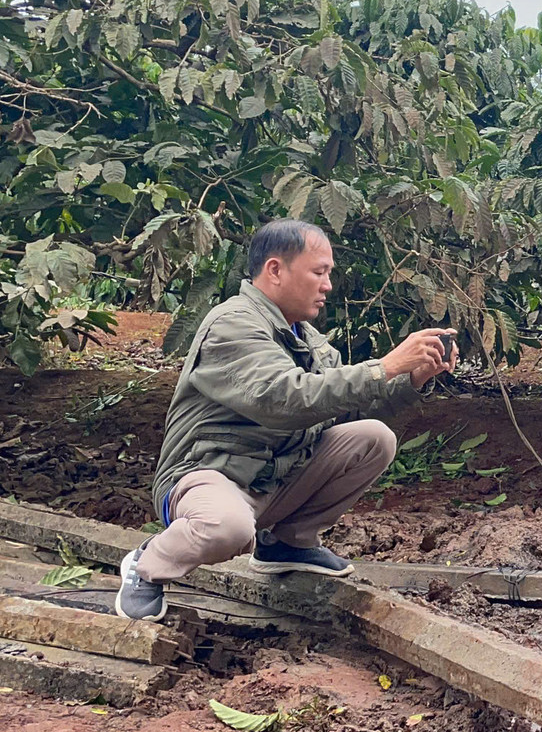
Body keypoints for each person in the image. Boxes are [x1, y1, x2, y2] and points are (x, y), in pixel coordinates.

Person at [115, 219, 458, 621]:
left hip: (272, 479)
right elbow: (282, 398)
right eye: (319, 272)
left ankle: (286, 544)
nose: (328, 285)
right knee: (228, 527)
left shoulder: (310, 342)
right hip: (206, 478)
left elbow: (343, 410)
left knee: (373, 438)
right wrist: (383, 367)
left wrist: (410, 380)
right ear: (275, 270)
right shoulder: (233, 324)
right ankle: (145, 565)